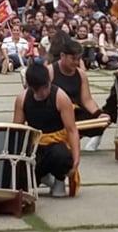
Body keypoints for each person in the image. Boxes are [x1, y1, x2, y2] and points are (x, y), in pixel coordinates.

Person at [14, 62, 79, 198]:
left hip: (57, 143)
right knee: (19, 171)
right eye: (37, 90)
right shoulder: (22, 99)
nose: (42, 93)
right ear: (30, 87)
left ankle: (59, 180)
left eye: (45, 87)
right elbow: (17, 131)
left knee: (61, 156)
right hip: (35, 146)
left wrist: (76, 159)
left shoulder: (60, 97)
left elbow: (72, 130)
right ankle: (42, 177)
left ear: (49, 81)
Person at [47, 31, 110, 152]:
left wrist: (98, 114)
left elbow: (87, 100)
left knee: (103, 120)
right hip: (56, 114)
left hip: (76, 112)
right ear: (63, 56)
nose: (76, 63)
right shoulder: (50, 71)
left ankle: (81, 137)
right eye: (73, 59)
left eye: (78, 59)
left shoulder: (81, 74)